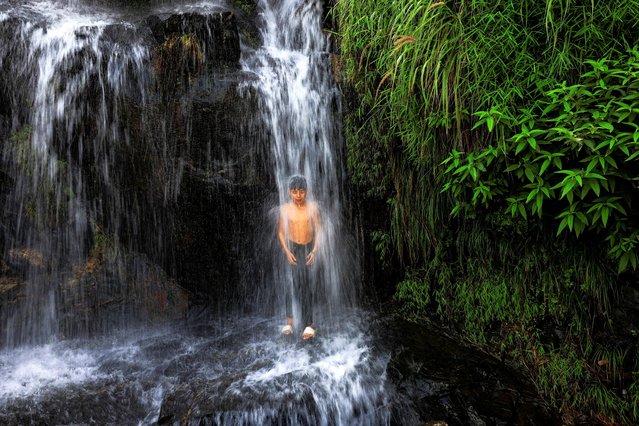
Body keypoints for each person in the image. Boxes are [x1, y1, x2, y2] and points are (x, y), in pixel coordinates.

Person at [278, 175, 320, 340]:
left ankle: (309, 324)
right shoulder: (285, 209)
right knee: (291, 285)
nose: (298, 195)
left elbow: (319, 230)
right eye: (294, 191)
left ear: (306, 192)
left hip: (308, 248)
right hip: (293, 248)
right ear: (289, 192)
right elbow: (281, 232)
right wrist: (287, 251)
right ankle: (290, 321)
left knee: (307, 285)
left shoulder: (313, 208)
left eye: (301, 191)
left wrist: (315, 251)